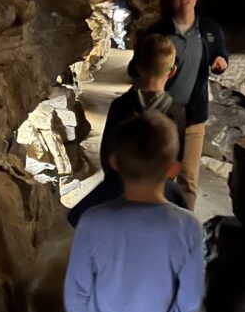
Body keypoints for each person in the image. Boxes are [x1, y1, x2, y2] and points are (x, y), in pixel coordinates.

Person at [63, 111, 204, 312]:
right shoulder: (189, 228)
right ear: (173, 169)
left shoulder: (93, 221)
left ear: (115, 162)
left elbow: (76, 293)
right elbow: (189, 301)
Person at [128, 0, 229, 210]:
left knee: (188, 178)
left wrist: (221, 63)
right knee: (159, 173)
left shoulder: (210, 30)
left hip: (194, 115)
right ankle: (155, 222)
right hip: (160, 115)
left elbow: (222, 55)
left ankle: (182, 226)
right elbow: (135, 69)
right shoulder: (158, 33)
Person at [67, 35, 187, 228]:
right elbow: (177, 161)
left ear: (138, 67)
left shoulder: (120, 106)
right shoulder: (177, 112)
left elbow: (107, 153)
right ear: (172, 71)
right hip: (159, 188)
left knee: (78, 218)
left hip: (120, 184)